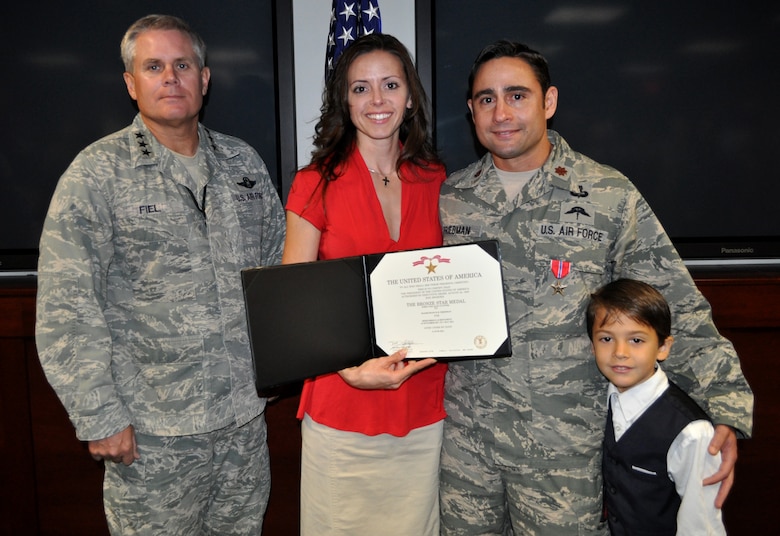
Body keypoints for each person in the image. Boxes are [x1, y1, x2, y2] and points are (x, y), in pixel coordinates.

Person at [438, 40, 753, 535]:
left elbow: (675, 304)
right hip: (468, 451)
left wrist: (724, 406)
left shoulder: (607, 194)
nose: (501, 112)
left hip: (563, 454)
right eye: (486, 98)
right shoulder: (451, 197)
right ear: (471, 110)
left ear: (549, 102)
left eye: (517, 95)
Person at [35, 14, 285, 535]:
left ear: (205, 78)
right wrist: (99, 416)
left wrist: (285, 368)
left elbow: (278, 275)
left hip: (243, 427)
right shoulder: (96, 174)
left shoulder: (243, 163)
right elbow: (67, 307)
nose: (170, 77)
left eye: (182, 64)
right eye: (153, 66)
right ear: (131, 83)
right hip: (152, 436)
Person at [282, 33, 447, 535]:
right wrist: (349, 371)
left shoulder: (440, 179)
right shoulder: (314, 182)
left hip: (425, 408)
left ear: (411, 96)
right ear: (344, 100)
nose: (377, 101)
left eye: (390, 85)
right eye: (360, 88)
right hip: (342, 403)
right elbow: (293, 304)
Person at [587, 279, 726, 535]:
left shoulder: (691, 432)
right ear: (592, 345)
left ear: (663, 347)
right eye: (606, 338)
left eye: (636, 340)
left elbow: (701, 523)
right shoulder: (594, 404)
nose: (620, 352)